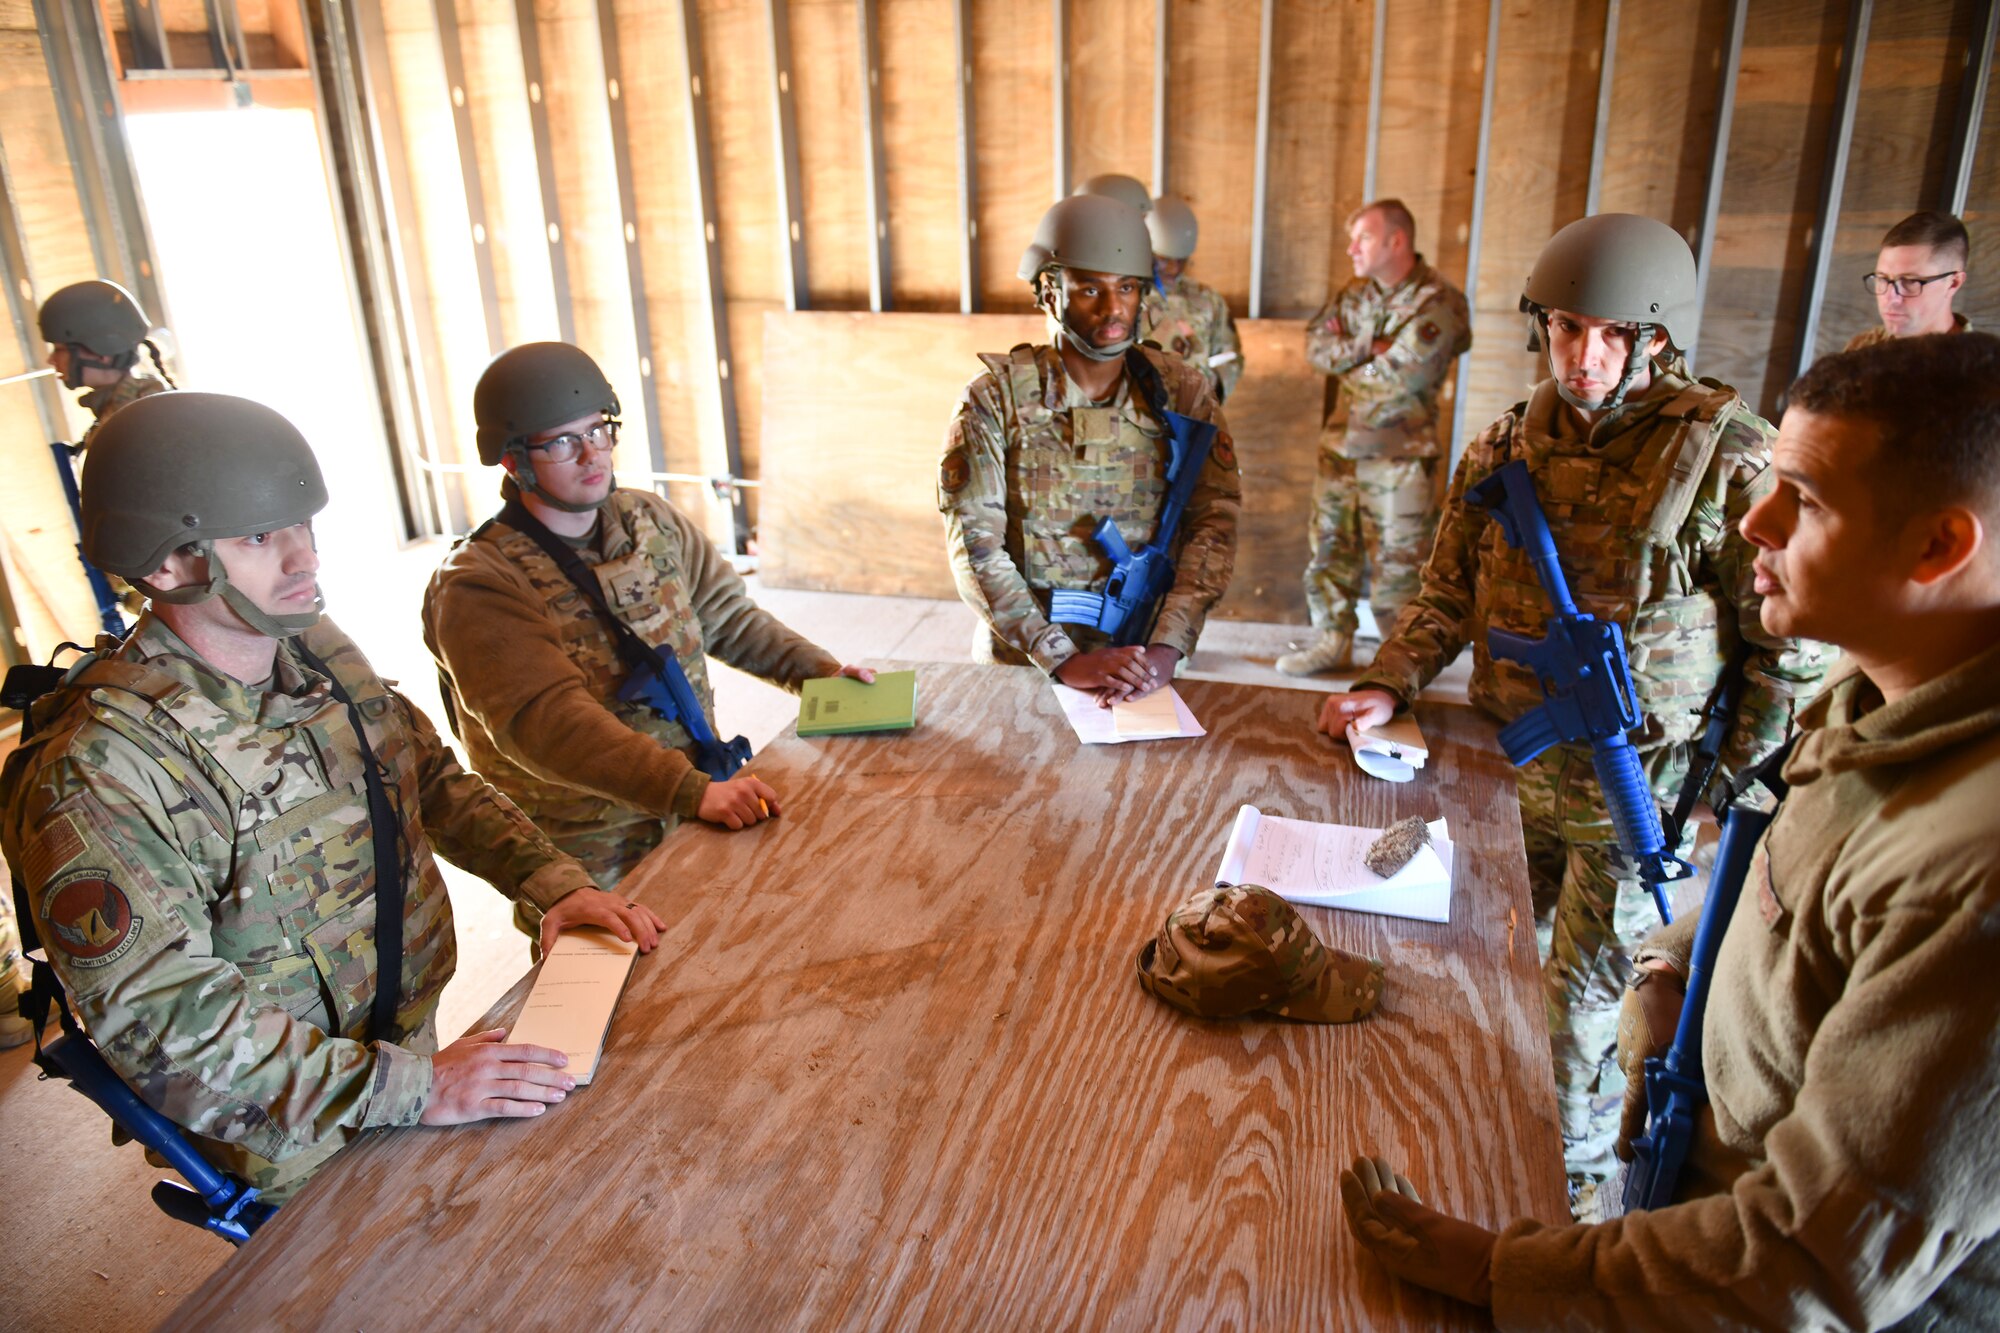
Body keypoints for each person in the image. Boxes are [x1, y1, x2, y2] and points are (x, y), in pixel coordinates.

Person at [1339, 331, 2000, 1329]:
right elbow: (1777, 877)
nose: (1754, 522)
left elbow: (1813, 1265)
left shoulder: (1975, 873)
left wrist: (1496, 1269)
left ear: (1936, 546)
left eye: (1804, 501)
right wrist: (1667, 973)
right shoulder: (1869, 691)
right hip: (1681, 1192)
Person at [0, 391, 664, 1203]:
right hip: (287, 1123)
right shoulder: (103, 769)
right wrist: (420, 1090)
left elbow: (432, 782)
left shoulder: (312, 648)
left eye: (302, 526)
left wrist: (553, 882)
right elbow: (169, 1026)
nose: (303, 558)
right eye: (257, 536)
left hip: (407, 1053)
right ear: (165, 561)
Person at [1316, 213, 1828, 1202]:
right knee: (1469, 968)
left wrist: (1729, 788)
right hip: (1504, 776)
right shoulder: (1503, 449)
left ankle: (1569, 1194)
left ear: (1654, 337)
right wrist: (1387, 681)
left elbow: (1785, 641)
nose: (1582, 356)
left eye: (1608, 334)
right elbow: (1440, 596)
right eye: (1562, 329)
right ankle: (1458, 1142)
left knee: (1577, 1008)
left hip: (1635, 792)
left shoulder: (1724, 459)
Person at [423, 342, 871, 904]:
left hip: (694, 805)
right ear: (513, 461)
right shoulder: (479, 583)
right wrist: (687, 790)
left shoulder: (647, 520)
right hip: (588, 851)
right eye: (563, 442)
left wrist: (819, 675)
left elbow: (730, 619)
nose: (592, 455)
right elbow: (547, 724)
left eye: (599, 430)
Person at [938, 193, 1241, 702]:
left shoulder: (1183, 393)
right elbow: (976, 547)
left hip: (1141, 670)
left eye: (1126, 287)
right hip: (1024, 666)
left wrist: (1168, 648)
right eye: (1088, 289)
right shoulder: (994, 400)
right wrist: (1063, 659)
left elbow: (1214, 523)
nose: (1112, 307)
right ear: (1050, 291)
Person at [1280, 199, 1471, 677]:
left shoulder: (1437, 300)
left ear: (1396, 240)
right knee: (1329, 550)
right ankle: (1333, 642)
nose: (1351, 249)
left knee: (1399, 565)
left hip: (1397, 458)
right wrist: (1368, 347)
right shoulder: (1355, 294)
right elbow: (1314, 347)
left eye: (1362, 237)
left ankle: (1397, 664)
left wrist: (1354, 361)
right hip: (1341, 450)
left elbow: (1399, 377)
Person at [37, 279, 176, 447]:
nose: (51, 360)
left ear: (102, 353)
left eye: (59, 350)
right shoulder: (126, 411)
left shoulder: (138, 419)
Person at [1139, 195, 1244, 402]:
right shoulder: (1128, 296)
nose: (1173, 268)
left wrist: (1213, 386)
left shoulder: (1207, 299)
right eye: (1163, 260)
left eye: (1181, 261)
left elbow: (1231, 357)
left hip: (1194, 412)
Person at [1846, 210, 1972, 351]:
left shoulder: (1980, 368)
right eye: (1882, 278)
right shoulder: (1863, 347)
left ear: (1953, 284)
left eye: (1910, 282)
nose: (1890, 298)